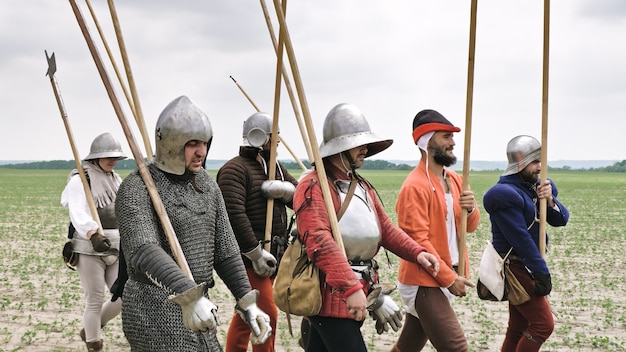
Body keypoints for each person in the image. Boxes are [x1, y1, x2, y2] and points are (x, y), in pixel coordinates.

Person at [115, 95, 272, 352]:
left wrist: (247, 300)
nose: (202, 152)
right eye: (193, 144)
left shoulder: (207, 185)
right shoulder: (137, 188)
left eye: (205, 143)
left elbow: (225, 250)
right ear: (172, 144)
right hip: (153, 308)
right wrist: (189, 295)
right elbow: (144, 250)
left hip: (198, 304)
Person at [293, 103, 440, 352]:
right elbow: (319, 241)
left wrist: (417, 253)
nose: (365, 149)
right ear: (341, 147)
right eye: (358, 144)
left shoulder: (360, 185)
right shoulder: (314, 185)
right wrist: (350, 288)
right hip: (330, 295)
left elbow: (384, 228)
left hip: (353, 291)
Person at [392, 109, 480, 352]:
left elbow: (470, 228)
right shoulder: (414, 186)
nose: (452, 143)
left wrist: (470, 209)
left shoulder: (455, 179)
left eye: (452, 137)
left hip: (443, 275)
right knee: (456, 348)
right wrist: (450, 279)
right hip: (423, 280)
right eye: (445, 137)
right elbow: (418, 242)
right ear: (427, 141)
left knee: (408, 347)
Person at [217, 112, 298, 352]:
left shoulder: (274, 167)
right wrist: (255, 253)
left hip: (274, 255)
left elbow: (300, 198)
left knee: (246, 318)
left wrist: (287, 191)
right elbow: (234, 215)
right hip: (247, 260)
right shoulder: (234, 170)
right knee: (265, 314)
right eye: (275, 136)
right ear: (260, 137)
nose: (280, 140)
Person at [483, 135, 569, 352]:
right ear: (519, 163)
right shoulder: (503, 195)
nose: (539, 167)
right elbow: (520, 239)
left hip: (527, 265)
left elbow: (561, 220)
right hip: (517, 267)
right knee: (543, 325)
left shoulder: (535, 187)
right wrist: (541, 272)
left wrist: (549, 200)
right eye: (534, 162)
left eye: (540, 161)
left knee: (518, 327)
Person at [60, 132, 126, 352]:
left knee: (123, 295)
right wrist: (93, 234)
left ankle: (92, 328)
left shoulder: (116, 179)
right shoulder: (81, 179)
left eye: (115, 156)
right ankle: (94, 343)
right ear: (96, 156)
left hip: (115, 246)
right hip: (89, 247)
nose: (112, 160)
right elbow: (77, 212)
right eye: (108, 156)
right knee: (95, 299)